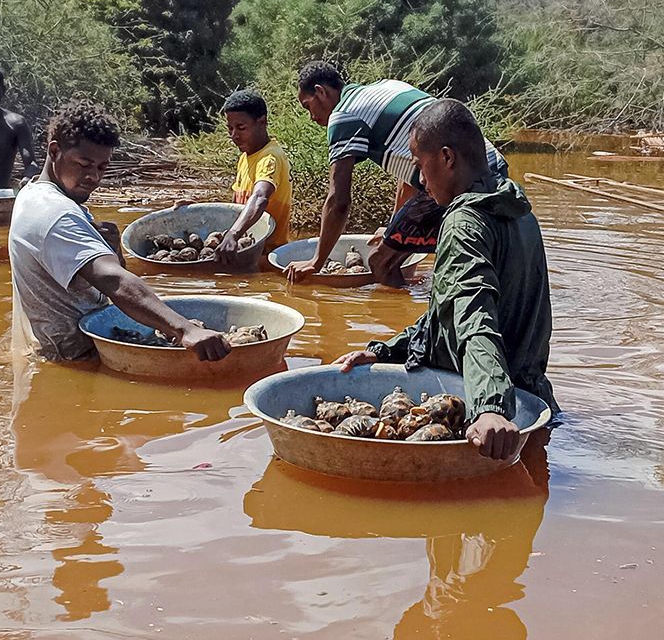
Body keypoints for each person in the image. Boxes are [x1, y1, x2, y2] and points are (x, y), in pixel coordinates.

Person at [332, 99, 555, 460]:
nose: (420, 179)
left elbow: (474, 319)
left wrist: (490, 408)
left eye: (421, 164)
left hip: (490, 430)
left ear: (447, 158)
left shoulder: (464, 223)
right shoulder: (516, 210)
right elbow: (449, 314)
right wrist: (384, 350)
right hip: (533, 405)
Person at [8, 99, 229, 363]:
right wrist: (185, 329)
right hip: (73, 358)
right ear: (54, 151)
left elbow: (106, 275)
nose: (94, 177)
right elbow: (115, 280)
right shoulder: (57, 214)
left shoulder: (33, 193)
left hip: (45, 350)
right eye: (84, 164)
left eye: (102, 167)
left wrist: (109, 248)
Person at [285, 61, 507, 287]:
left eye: (307, 106)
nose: (311, 117)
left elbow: (338, 200)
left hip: (458, 180)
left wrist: (316, 261)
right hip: (492, 167)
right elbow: (410, 171)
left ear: (320, 92)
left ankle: (408, 311)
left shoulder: (343, 115)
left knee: (381, 262)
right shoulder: (386, 86)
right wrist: (393, 227)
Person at [214, 89, 291, 269]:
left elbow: (259, 197)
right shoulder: (245, 157)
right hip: (243, 251)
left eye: (241, 128)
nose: (234, 135)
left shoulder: (270, 158)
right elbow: (236, 209)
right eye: (230, 128)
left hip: (266, 258)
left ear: (262, 122)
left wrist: (233, 235)